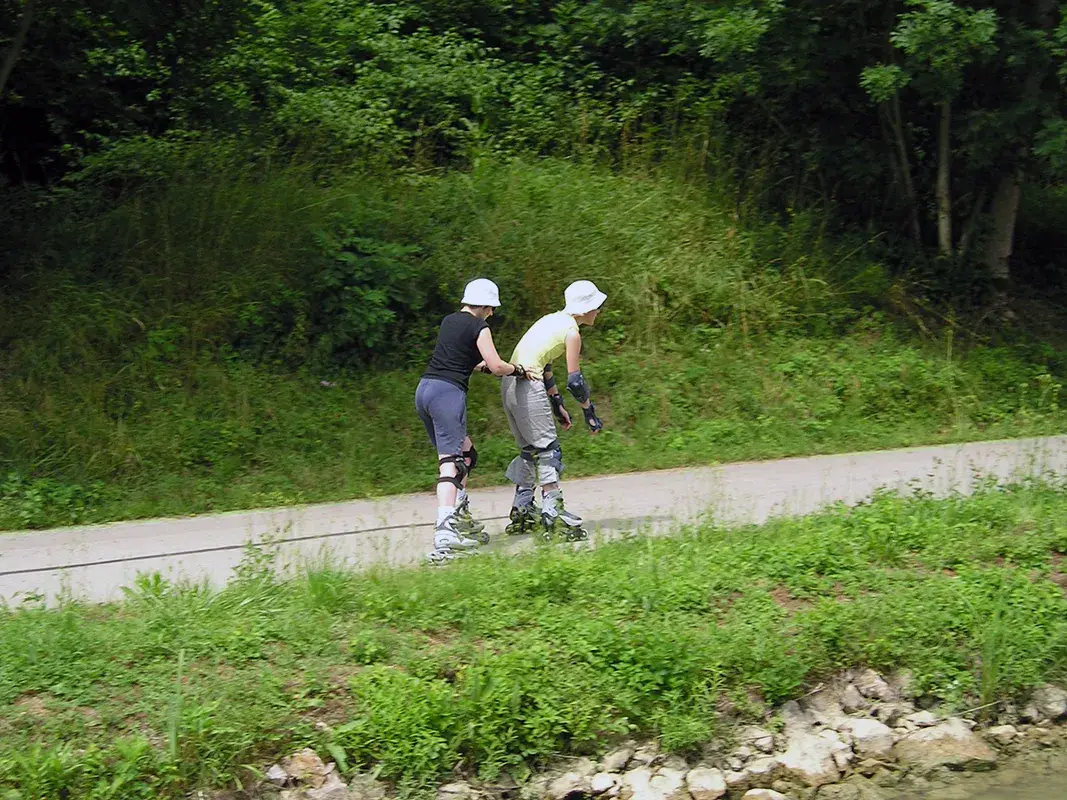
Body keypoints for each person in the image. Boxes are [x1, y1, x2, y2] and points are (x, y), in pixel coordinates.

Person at [415, 278, 536, 564]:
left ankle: (459, 518)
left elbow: (461, 358)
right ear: (483, 305)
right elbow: (496, 366)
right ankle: (445, 533)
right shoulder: (479, 326)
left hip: (425, 390)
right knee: (452, 461)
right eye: (491, 307)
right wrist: (518, 369)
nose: (492, 313)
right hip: (447, 394)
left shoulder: (449, 320)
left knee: (467, 455)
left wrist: (480, 366)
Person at [500, 280, 606, 540]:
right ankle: (553, 514)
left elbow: (545, 365)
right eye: (596, 306)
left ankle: (523, 510)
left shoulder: (551, 320)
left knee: (528, 451)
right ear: (585, 309)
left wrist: (557, 405)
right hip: (526, 384)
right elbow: (576, 381)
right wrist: (588, 412)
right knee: (549, 450)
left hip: (509, 383)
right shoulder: (572, 333)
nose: (599, 311)